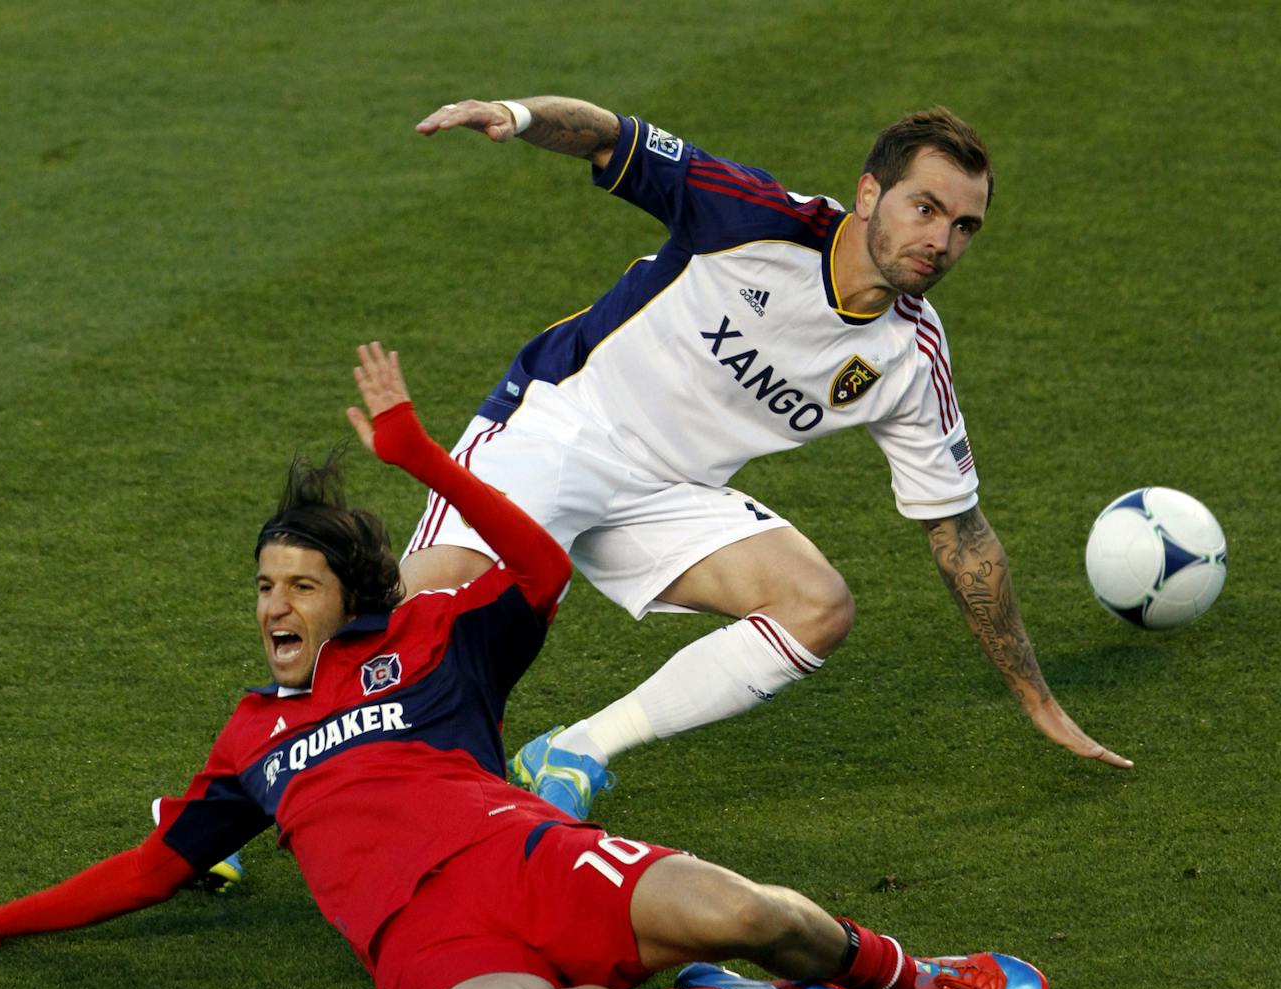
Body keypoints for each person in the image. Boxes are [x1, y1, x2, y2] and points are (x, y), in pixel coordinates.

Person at [0, 343, 1048, 989]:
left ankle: (907, 976)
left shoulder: (430, 646)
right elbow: (150, 870)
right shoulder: (246, 744)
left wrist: (422, 456)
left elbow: (536, 567)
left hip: (525, 856)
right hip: (422, 946)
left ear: (348, 598)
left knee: (740, 906)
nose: (274, 605)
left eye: (299, 585)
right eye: (263, 586)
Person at [405, 96, 1132, 818]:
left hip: (668, 493)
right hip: (561, 427)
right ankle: (299, 742)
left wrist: (1036, 698)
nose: (940, 240)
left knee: (816, 606)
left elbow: (960, 534)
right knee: (426, 618)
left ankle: (580, 748)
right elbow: (613, 138)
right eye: (926, 209)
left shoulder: (910, 356)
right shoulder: (754, 217)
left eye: (964, 225)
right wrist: (516, 115)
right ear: (870, 193)